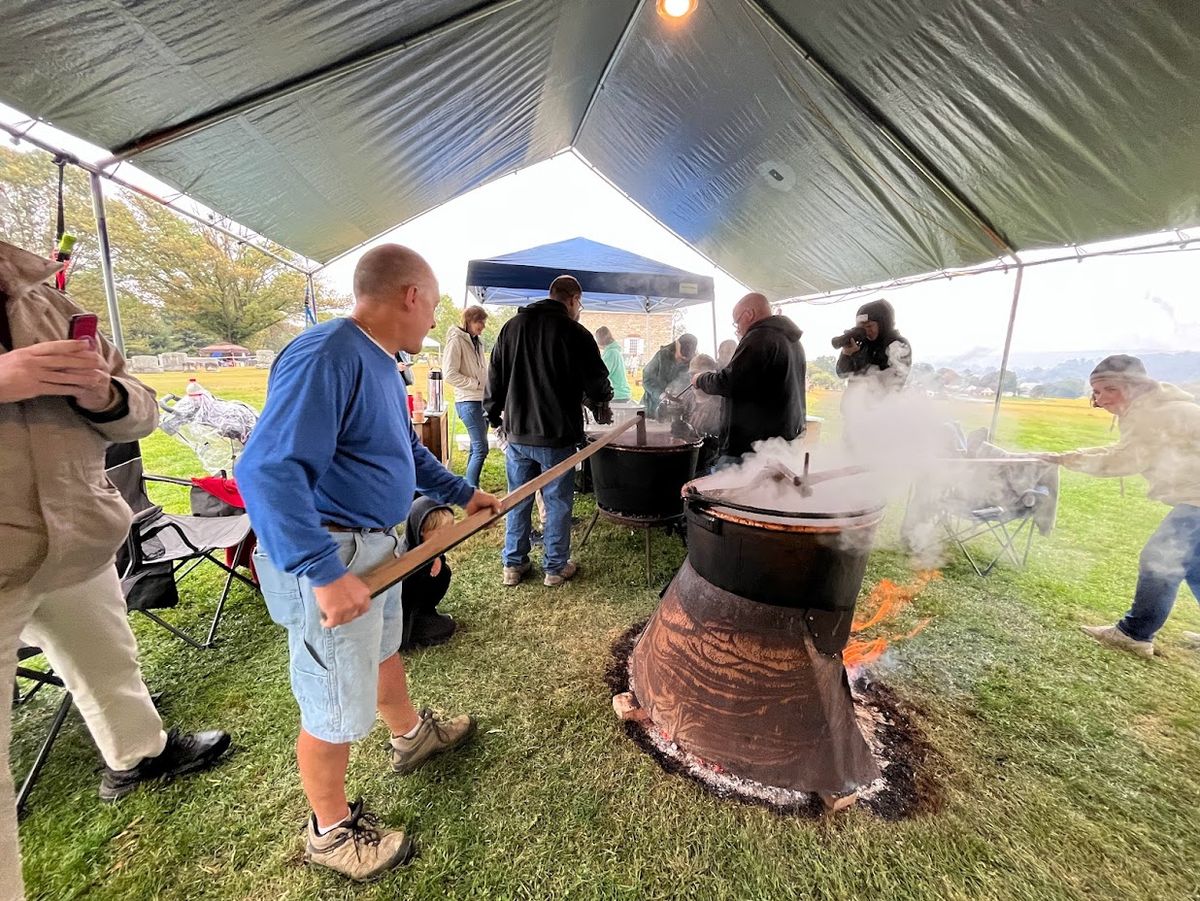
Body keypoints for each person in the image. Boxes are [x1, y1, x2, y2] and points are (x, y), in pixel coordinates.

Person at [236, 244, 501, 882]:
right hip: (334, 550)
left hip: (376, 544)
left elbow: (403, 451)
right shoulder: (328, 353)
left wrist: (465, 494)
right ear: (410, 295)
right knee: (331, 695)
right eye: (432, 305)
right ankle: (329, 832)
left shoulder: (383, 363)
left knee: (383, 649)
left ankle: (411, 737)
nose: (434, 320)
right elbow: (266, 471)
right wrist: (324, 573)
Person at [0, 239, 231, 900]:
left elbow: (142, 408)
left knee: (109, 661)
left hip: (73, 535)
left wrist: (102, 392)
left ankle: (139, 755)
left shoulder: (46, 299)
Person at [1039, 355, 1200, 659]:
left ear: (1134, 385)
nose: (1100, 399)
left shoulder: (1157, 415)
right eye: (1097, 392)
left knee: (1160, 559)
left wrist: (1068, 459)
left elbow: (1123, 459)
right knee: (1195, 566)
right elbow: (1124, 450)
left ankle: (1134, 634)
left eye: (1108, 389)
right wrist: (1066, 456)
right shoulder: (1154, 409)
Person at [485, 275, 613, 588]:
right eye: (579, 304)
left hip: (517, 432)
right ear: (573, 299)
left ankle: (513, 565)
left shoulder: (511, 328)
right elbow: (596, 381)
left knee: (519, 498)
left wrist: (493, 415)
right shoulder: (575, 332)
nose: (578, 310)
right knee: (556, 502)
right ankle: (554, 568)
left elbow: (495, 375)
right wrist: (602, 400)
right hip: (557, 435)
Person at [693, 293, 806, 467]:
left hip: (750, 448)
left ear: (749, 314)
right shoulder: (793, 342)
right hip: (781, 441)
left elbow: (730, 382)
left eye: (737, 321)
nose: (738, 329)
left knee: (730, 493)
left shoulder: (759, 338)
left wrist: (701, 379)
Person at [398, 497, 457, 651]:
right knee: (445, 628)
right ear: (421, 530)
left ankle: (425, 615)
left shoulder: (430, 550)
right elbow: (403, 602)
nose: (444, 539)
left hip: (418, 609)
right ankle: (413, 632)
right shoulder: (405, 561)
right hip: (402, 619)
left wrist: (437, 558)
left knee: (443, 573)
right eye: (439, 534)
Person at [443, 305, 490, 487]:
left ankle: (471, 486)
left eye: (483, 322)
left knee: (475, 447)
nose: (482, 326)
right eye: (480, 321)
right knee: (481, 448)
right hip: (467, 401)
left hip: (481, 399)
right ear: (469, 321)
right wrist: (475, 383)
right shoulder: (456, 340)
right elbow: (449, 374)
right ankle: (472, 491)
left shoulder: (477, 341)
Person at [834, 298, 911, 391]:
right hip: (855, 402)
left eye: (869, 326)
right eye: (861, 327)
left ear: (883, 324)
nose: (866, 331)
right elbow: (842, 374)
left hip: (882, 403)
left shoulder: (898, 345)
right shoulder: (860, 344)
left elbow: (895, 384)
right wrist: (846, 354)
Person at [641, 333, 697, 417]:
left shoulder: (694, 363)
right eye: (681, 357)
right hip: (650, 410)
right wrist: (661, 395)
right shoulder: (662, 356)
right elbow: (647, 379)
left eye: (685, 360)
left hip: (675, 414)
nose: (682, 361)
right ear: (677, 344)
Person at [595, 326, 631, 402]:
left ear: (600, 339)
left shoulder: (611, 353)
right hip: (619, 394)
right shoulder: (614, 351)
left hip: (617, 395)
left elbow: (602, 374)